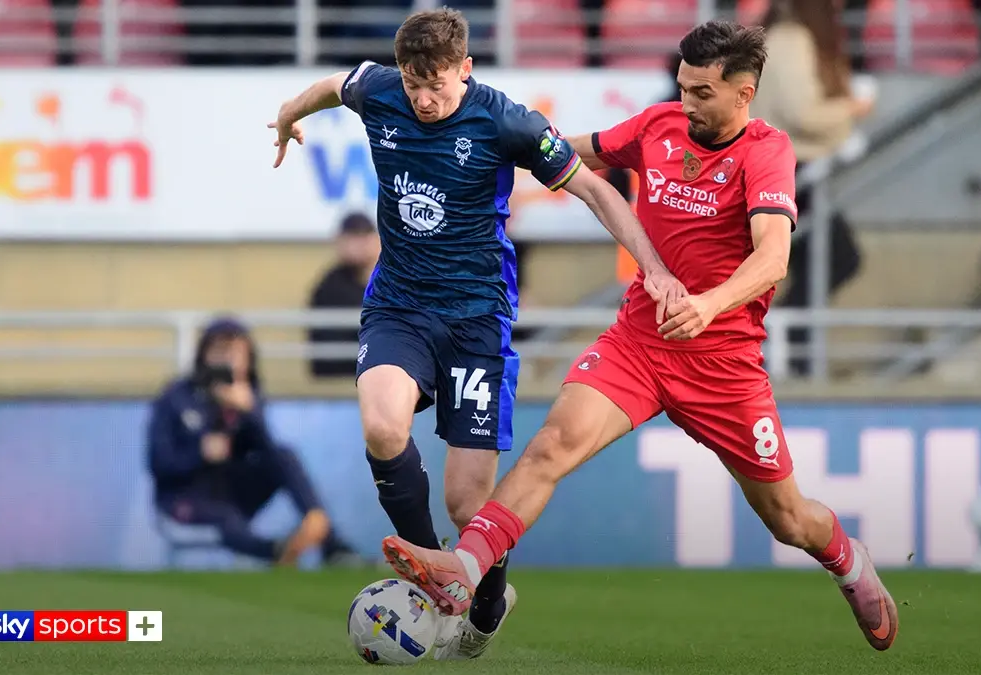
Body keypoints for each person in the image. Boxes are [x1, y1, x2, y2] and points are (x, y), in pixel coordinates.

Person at [379, 20, 900, 652]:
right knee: (552, 446)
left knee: (789, 519)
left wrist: (708, 306)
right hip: (639, 343)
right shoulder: (659, 126)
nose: (687, 103)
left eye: (703, 92)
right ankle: (464, 570)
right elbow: (566, 153)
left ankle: (848, 559)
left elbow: (773, 259)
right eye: (682, 87)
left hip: (722, 363)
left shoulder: (766, 151)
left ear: (744, 94)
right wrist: (479, 141)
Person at [266, 8, 683, 660]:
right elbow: (332, 85)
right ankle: (439, 582)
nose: (424, 99)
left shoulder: (506, 121)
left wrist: (653, 266)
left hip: (476, 322)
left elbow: (598, 194)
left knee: (469, 504)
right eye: (414, 85)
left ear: (466, 68)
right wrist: (290, 115)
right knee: (382, 426)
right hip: (398, 305)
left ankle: (486, 600)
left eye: (437, 84)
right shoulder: (380, 90)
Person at [147, 317, 363, 567]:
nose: (228, 360)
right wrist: (199, 452)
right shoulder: (177, 396)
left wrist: (249, 413)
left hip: (232, 491)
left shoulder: (248, 396)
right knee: (225, 518)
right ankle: (277, 552)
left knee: (284, 455)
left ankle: (327, 538)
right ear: (204, 354)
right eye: (220, 351)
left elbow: (267, 452)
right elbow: (158, 463)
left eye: (237, 353)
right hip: (186, 496)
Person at [753, 0, 867, 374]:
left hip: (779, 169)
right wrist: (851, 110)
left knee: (813, 263)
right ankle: (776, 346)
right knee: (839, 257)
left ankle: (783, 349)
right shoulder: (790, 38)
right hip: (786, 173)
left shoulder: (778, 36)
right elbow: (801, 113)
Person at [307, 212, 381, 379]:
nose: (358, 245)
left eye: (364, 237)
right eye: (352, 238)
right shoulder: (330, 286)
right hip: (339, 378)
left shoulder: (389, 279)